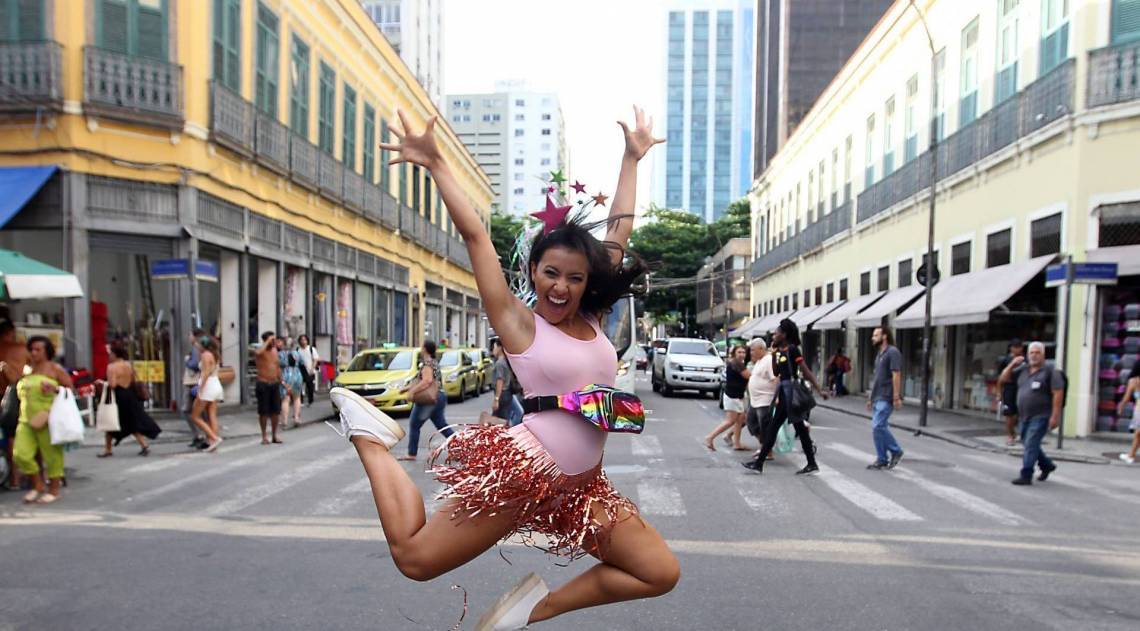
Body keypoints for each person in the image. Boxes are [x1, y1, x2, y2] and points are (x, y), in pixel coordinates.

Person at [327, 106, 677, 629]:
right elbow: (475, 239)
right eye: (551, 273)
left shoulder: (594, 315)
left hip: (582, 487)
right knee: (415, 559)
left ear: (588, 283)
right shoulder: (520, 324)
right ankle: (370, 438)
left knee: (658, 571)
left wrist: (631, 159)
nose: (561, 287)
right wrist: (436, 163)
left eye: (574, 278)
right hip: (526, 473)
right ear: (533, 271)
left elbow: (618, 233)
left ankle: (534, 610)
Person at [742, 319, 829, 474]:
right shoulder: (780, 351)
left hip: (791, 394)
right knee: (774, 428)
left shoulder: (793, 349)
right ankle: (759, 463)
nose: (774, 336)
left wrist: (819, 389)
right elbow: (776, 373)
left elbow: (805, 370)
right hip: (783, 394)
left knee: (799, 429)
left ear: (784, 334)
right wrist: (774, 354)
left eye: (776, 333)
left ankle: (811, 463)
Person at [10, 336, 73, 504]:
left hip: (48, 418)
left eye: (38, 349)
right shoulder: (26, 370)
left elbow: (70, 390)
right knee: (20, 454)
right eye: (31, 349)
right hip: (25, 419)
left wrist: (55, 388)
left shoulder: (55, 369)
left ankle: (54, 489)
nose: (33, 352)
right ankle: (37, 484)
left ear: (47, 352)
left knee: (52, 455)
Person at [998, 341, 1062, 486]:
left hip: (1041, 415)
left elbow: (1058, 393)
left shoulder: (1051, 371)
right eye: (1031, 353)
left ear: (1043, 355)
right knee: (1028, 443)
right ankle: (1047, 465)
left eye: (1037, 352)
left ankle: (1026, 474)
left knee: (1031, 442)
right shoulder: (1023, 370)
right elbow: (1003, 379)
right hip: (1024, 415)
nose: (1034, 356)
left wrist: (1055, 416)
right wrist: (1012, 364)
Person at [97, 346, 162, 457]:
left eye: (110, 353)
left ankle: (108, 449)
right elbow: (132, 380)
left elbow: (112, 385)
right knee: (131, 422)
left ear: (115, 354)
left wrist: (101, 383)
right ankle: (144, 445)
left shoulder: (111, 367)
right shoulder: (128, 365)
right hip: (129, 395)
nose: (109, 356)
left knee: (110, 420)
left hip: (117, 396)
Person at [395, 340, 454, 462]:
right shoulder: (434, 362)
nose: (421, 349)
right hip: (439, 396)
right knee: (441, 425)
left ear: (425, 349)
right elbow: (426, 380)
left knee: (414, 424)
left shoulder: (427, 364)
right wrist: (407, 388)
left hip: (428, 400)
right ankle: (461, 447)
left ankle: (412, 453)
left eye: (422, 347)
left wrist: (412, 391)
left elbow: (427, 381)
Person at [865, 327, 905, 470]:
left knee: (878, 426)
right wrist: (870, 397)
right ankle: (882, 458)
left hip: (887, 396)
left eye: (876, 335)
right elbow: (877, 378)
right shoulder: (880, 354)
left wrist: (896, 396)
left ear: (885, 336)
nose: (872, 338)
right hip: (878, 396)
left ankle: (896, 451)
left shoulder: (892, 352)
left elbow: (896, 374)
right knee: (878, 428)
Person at [0, 319, 30, 490]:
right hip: (16, 397)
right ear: (10, 333)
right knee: (15, 436)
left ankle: (14, 478)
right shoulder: (21, 349)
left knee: (11, 437)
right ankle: (17, 477)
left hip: (5, 396)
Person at [703, 345, 750, 451]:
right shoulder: (736, 363)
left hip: (736, 396)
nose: (742, 354)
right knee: (730, 421)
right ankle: (710, 437)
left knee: (741, 419)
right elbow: (748, 375)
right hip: (733, 396)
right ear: (734, 353)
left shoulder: (735, 363)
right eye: (739, 352)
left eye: (743, 352)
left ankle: (736, 443)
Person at [743, 338, 778, 460]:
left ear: (761, 349)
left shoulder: (768, 360)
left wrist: (777, 397)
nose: (751, 353)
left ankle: (767, 451)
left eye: (753, 350)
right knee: (752, 424)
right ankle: (764, 447)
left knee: (764, 427)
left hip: (765, 400)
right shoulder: (759, 360)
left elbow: (775, 379)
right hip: (755, 400)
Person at [190, 336, 224, 452]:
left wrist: (199, 389)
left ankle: (214, 438)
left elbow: (205, 374)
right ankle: (212, 441)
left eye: (198, 344)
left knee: (195, 416)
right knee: (211, 414)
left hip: (208, 386)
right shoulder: (214, 354)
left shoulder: (205, 355)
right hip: (215, 384)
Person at [255, 331, 283, 444]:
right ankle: (264, 436)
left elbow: (277, 366)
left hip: (274, 383)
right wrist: (267, 341)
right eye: (271, 340)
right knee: (263, 412)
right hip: (263, 383)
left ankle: (274, 435)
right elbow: (258, 352)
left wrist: (281, 380)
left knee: (275, 411)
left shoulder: (275, 351)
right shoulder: (260, 350)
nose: (273, 342)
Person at [997, 338, 1025, 446]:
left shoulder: (1025, 359)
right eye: (1014, 347)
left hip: (1022, 387)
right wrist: (999, 392)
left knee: (1019, 414)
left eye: (1018, 347)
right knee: (1009, 414)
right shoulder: (1005, 360)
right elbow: (1001, 377)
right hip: (1009, 388)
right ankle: (1010, 435)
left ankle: (1018, 434)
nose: (1016, 349)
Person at [491, 338, 524, 427]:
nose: (493, 350)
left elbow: (500, 381)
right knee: (517, 413)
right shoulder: (506, 361)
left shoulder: (499, 363)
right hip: (508, 394)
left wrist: (496, 399)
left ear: (499, 348)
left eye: (494, 347)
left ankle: (509, 434)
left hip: (503, 395)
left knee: (500, 421)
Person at [278, 337, 304, 428]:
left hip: (286, 375)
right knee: (297, 398)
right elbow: (302, 363)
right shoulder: (297, 353)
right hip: (297, 375)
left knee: (285, 399)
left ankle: (284, 420)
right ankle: (296, 418)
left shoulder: (280, 354)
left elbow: (278, 365)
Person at [1118, 363, 1140, 463]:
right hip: (1138, 411)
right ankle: (1131, 455)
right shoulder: (1133, 382)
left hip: (1138, 411)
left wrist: (1121, 407)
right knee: (1138, 434)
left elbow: (1126, 398)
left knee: (1138, 434)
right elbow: (1126, 398)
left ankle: (1131, 456)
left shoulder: (1133, 381)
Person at [297, 334, 318, 406]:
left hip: (309, 369)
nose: (303, 341)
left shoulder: (311, 349)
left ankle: (310, 401)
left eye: (304, 340)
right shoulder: (298, 350)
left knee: (310, 386)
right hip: (300, 370)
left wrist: (312, 369)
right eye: (301, 340)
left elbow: (315, 359)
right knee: (299, 386)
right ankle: (301, 401)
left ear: (307, 341)